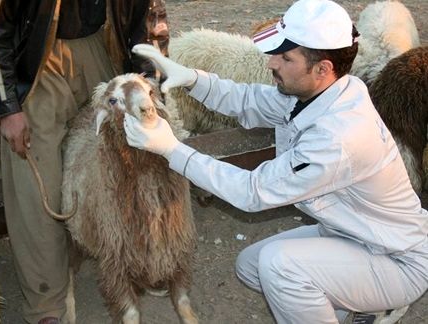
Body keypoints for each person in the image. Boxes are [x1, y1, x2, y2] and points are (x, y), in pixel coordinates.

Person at [123, 0, 428, 323]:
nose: (271, 63)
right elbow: (249, 100)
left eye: (285, 57)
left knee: (280, 267)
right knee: (252, 266)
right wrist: (192, 79)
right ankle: (359, 302)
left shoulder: (338, 138)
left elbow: (252, 192)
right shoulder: (331, 90)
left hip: (397, 259)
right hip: (353, 235)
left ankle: (379, 300)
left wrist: (172, 150)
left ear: (322, 68)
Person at [0, 1, 169, 323]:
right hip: (37, 61)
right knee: (34, 174)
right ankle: (47, 302)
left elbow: (150, 27)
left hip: (102, 46)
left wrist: (149, 86)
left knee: (123, 161)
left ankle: (134, 260)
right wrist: (8, 108)